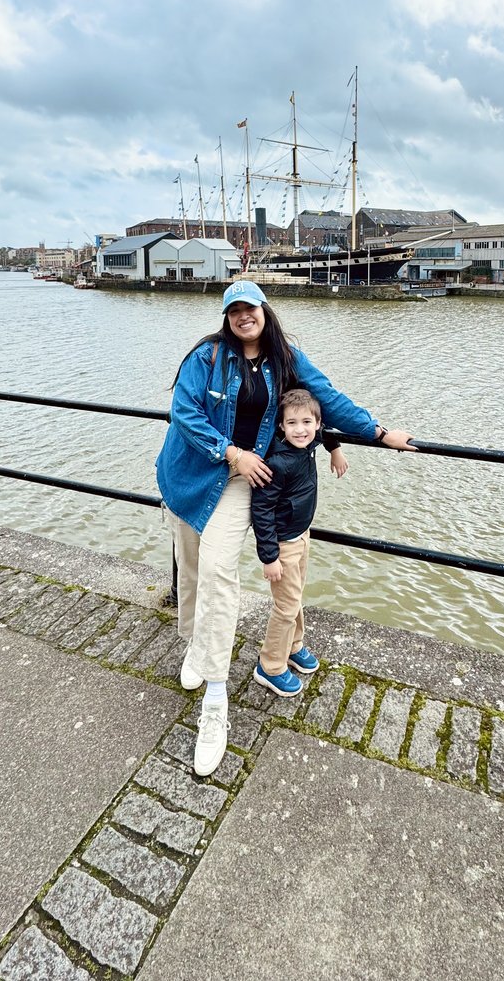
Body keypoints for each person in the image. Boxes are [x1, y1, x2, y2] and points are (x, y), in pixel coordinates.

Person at [156, 278, 415, 776]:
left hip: (240, 479)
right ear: (227, 317)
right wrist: (229, 450)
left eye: (250, 308)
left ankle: (216, 699)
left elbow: (327, 400)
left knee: (215, 572)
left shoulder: (285, 358)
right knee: (188, 569)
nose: (243, 317)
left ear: (264, 311)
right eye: (234, 310)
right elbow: (184, 412)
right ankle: (195, 643)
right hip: (191, 473)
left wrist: (379, 433)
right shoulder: (206, 358)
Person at [251, 388, 344, 698]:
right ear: (281, 426)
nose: (300, 429)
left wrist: (335, 448)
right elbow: (261, 509)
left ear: (316, 424)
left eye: (307, 422)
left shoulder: (309, 443)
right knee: (286, 606)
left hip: (302, 534)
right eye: (292, 423)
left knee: (295, 597)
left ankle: (294, 645)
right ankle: (270, 666)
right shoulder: (278, 462)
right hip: (283, 544)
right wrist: (269, 556)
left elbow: (327, 432)